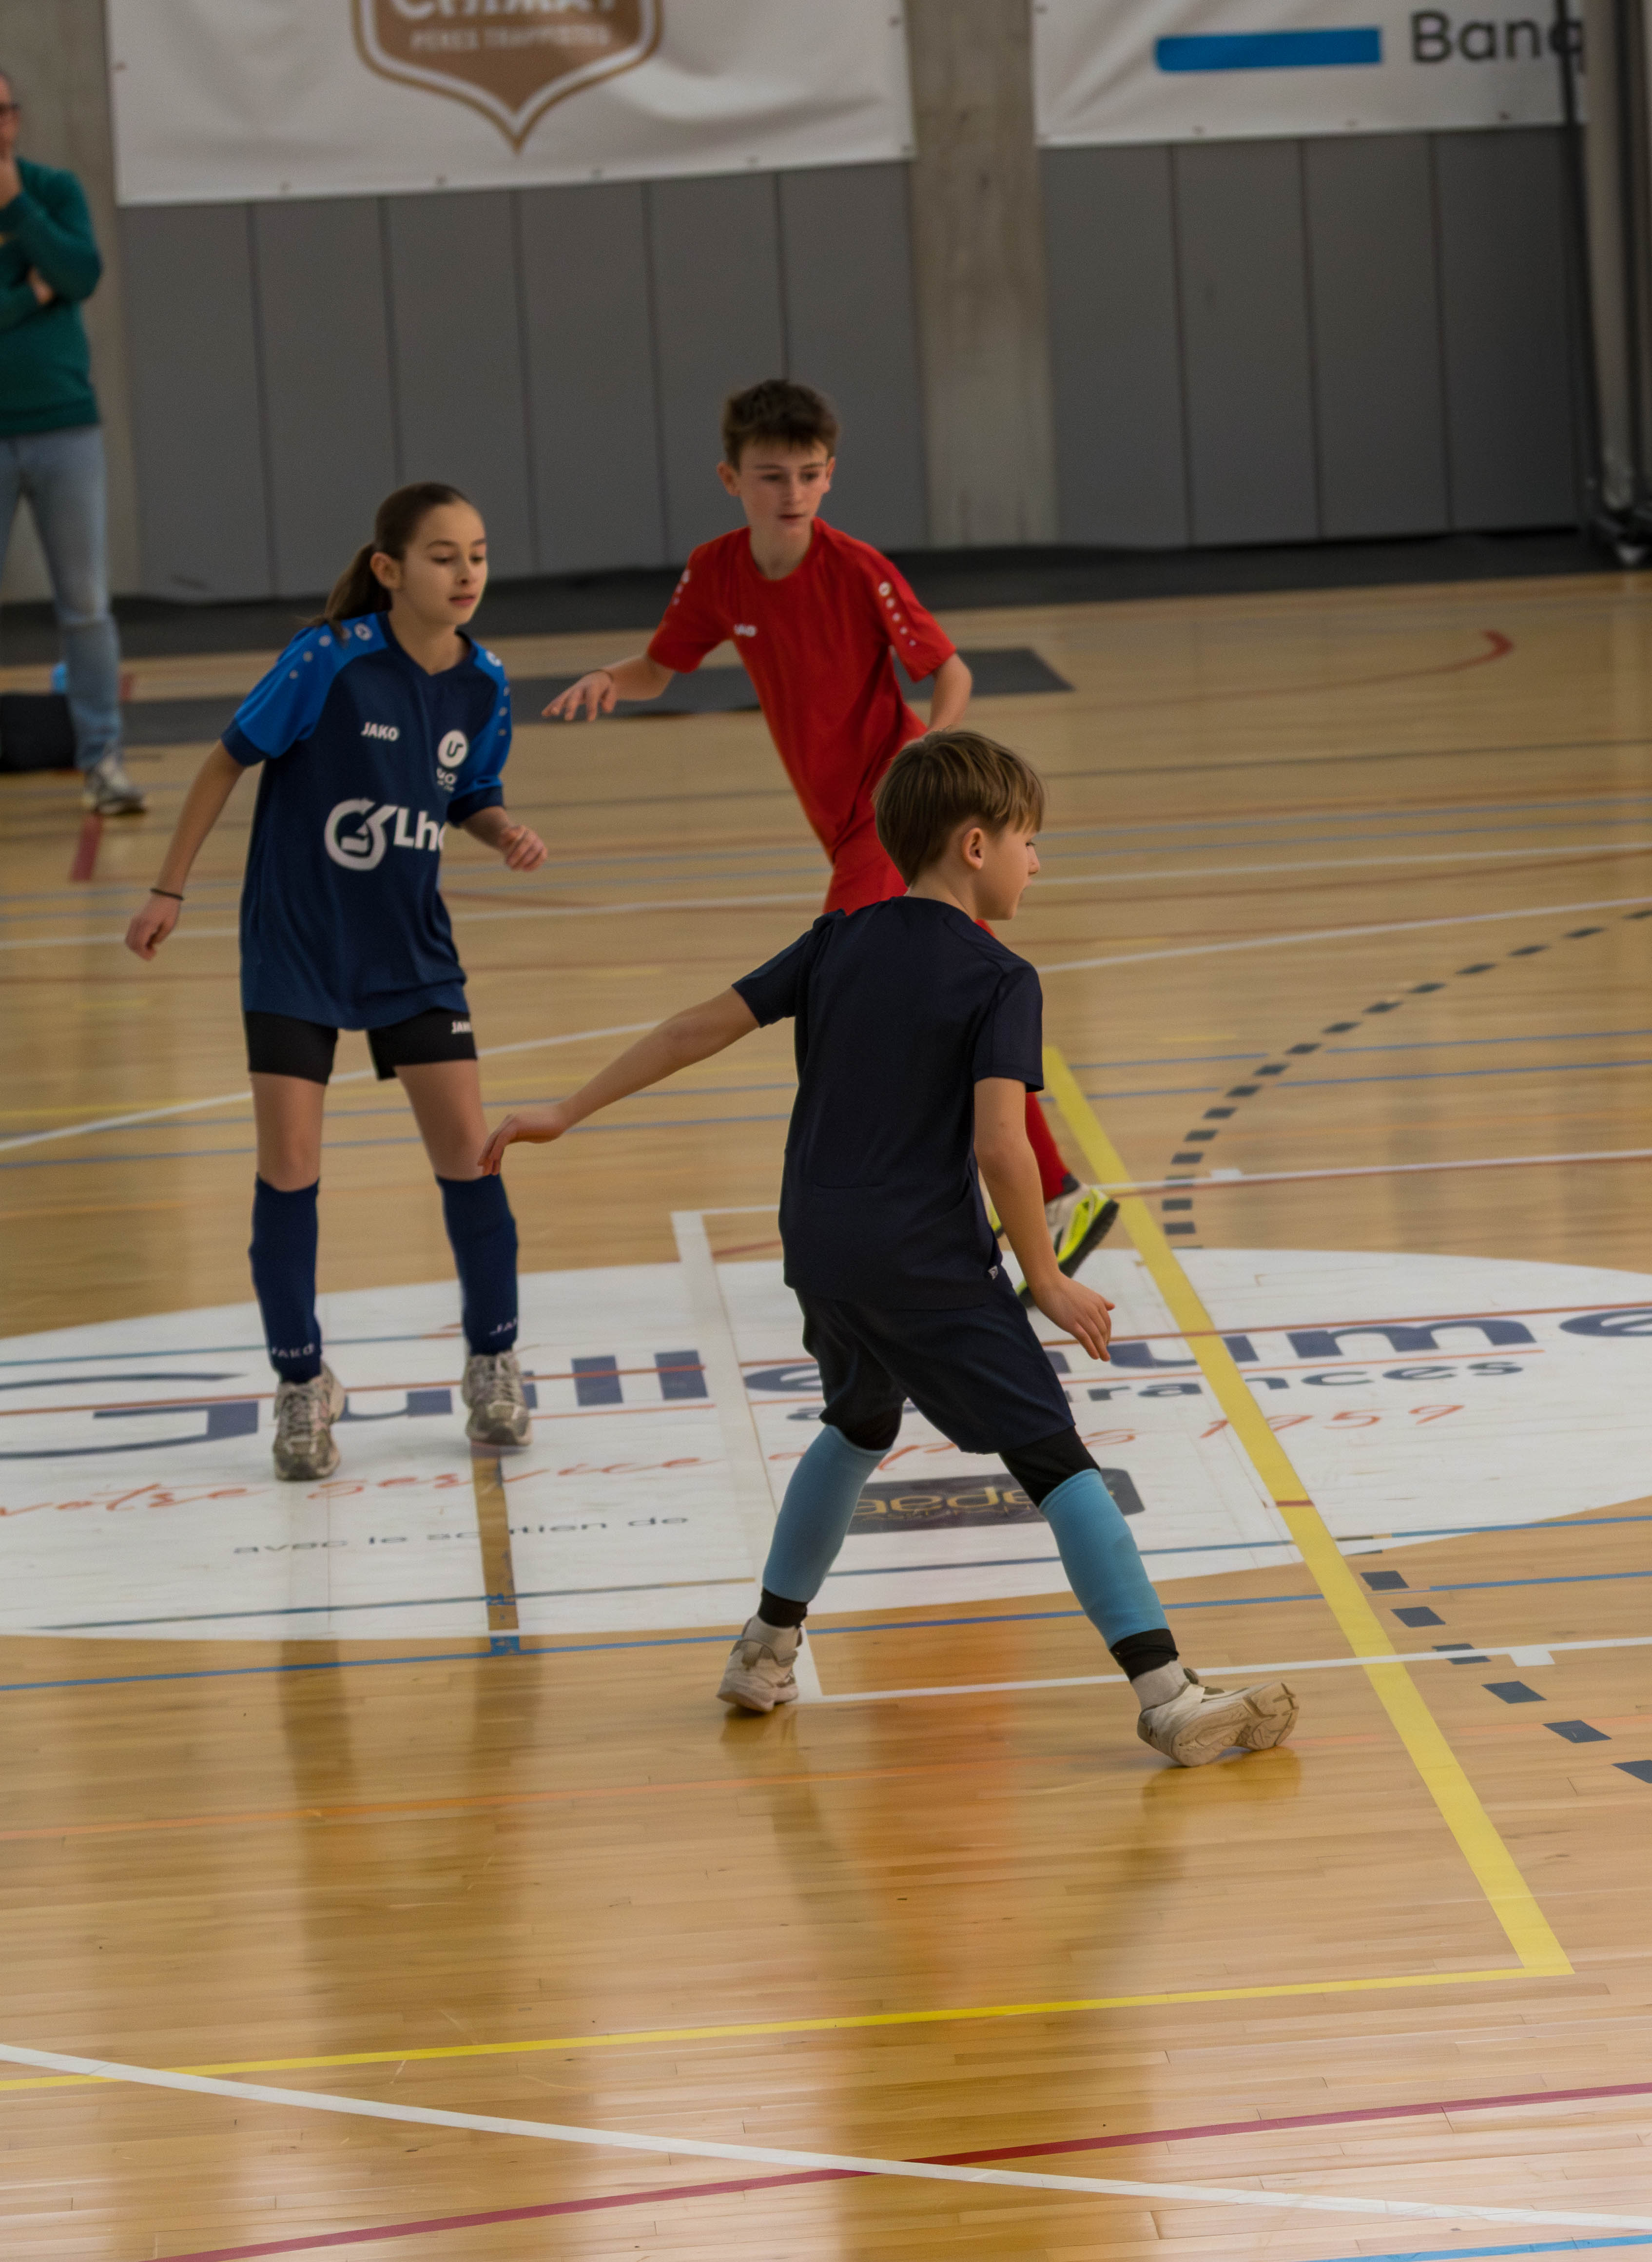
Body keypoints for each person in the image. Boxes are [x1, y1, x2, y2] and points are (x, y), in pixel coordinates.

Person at [480, 730, 1299, 1767]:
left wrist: (566, 1108)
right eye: (1029, 841)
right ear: (974, 845)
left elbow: (694, 1028)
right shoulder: (1001, 977)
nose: (1038, 861)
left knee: (860, 1423)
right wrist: (1045, 1277)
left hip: (822, 1251)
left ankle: (765, 1650)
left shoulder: (837, 940)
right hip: (926, 1262)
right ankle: (1168, 1694)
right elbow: (1002, 1143)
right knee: (1057, 1460)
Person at [538, 378, 1119, 1287]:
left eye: (810, 475)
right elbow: (660, 664)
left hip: (889, 825)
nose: (794, 493)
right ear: (732, 478)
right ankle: (1054, 1195)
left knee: (849, 996)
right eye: (773, 476)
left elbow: (951, 672)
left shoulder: (855, 568)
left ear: (831, 475)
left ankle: (918, 1206)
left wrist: (925, 756)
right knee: (948, 1004)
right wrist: (613, 679)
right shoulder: (718, 571)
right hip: (845, 825)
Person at [122, 483, 545, 1480]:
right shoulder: (329, 659)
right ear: (390, 569)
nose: (467, 572)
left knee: (471, 1158)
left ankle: (493, 1359)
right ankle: (302, 1382)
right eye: (443, 555)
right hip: (297, 949)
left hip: (411, 952)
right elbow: (223, 764)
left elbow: (468, 791)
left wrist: (500, 829)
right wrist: (168, 888)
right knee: (290, 1165)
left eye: (478, 553)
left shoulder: (485, 681)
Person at [0, 67, 136, 815]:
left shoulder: (51, 190)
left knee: (85, 604)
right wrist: (33, 292)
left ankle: (103, 761)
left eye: (2, 111)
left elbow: (81, 272)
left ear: (16, 118)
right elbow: (53, 282)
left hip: (65, 426)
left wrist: (18, 210)